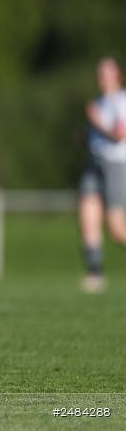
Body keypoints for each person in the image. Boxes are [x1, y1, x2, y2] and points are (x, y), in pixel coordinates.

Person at [78, 56, 126, 293]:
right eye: (100, 73)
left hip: (116, 165)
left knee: (117, 229)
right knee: (87, 215)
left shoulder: (121, 101)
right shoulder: (99, 102)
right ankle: (95, 272)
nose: (103, 78)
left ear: (118, 75)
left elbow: (119, 135)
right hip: (94, 162)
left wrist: (96, 122)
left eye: (107, 73)